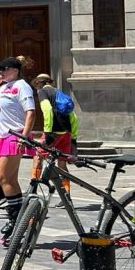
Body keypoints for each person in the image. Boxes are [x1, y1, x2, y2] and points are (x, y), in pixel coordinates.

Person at [0, 56, 37, 247]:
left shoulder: (22, 86)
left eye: (4, 69)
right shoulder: (4, 87)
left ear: (15, 70)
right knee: (10, 180)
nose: (1, 72)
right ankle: (22, 218)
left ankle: (15, 220)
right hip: (4, 137)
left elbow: (31, 112)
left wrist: (24, 136)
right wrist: (1, 78)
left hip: (15, 135)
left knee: (2, 177)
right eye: (0, 69)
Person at [31, 73, 79, 207]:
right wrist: (73, 137)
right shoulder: (60, 94)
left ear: (39, 83)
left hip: (54, 132)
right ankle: (66, 197)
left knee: (38, 157)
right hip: (67, 133)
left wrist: (47, 132)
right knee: (62, 164)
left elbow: (47, 111)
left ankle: (33, 190)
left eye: (36, 85)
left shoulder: (43, 92)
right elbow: (74, 117)